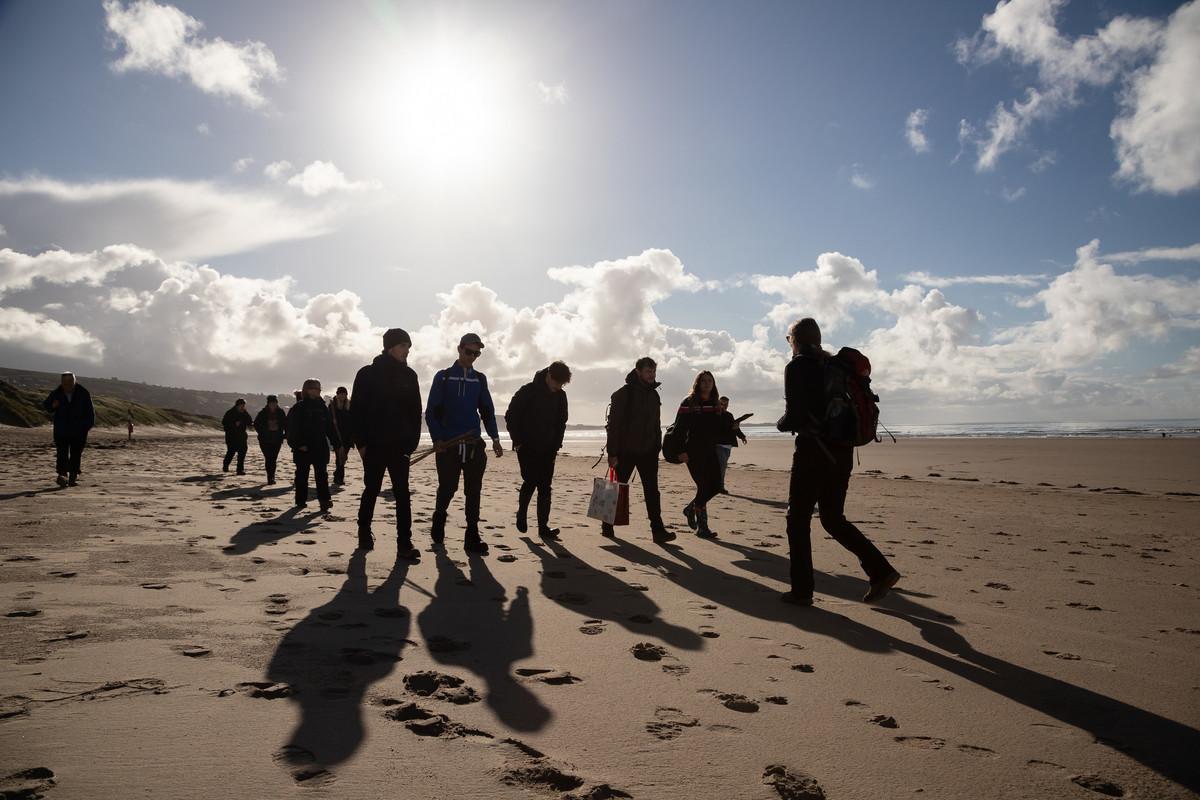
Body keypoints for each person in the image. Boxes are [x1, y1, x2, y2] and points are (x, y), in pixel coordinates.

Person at [776, 317, 900, 606]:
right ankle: (881, 571)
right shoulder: (833, 365)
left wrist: (781, 424)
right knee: (833, 518)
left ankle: (802, 591)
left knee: (797, 519)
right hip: (842, 451)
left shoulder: (797, 365)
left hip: (812, 450)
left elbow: (794, 415)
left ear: (795, 339)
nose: (788, 343)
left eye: (788, 338)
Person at [425, 332, 503, 554]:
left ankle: (472, 535)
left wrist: (495, 438)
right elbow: (432, 411)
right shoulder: (443, 377)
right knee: (448, 488)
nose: (472, 357)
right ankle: (439, 519)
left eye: (477, 354)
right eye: (469, 352)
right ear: (459, 349)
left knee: (474, 491)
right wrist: (437, 438)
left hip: (473, 444)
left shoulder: (480, 379)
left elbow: (487, 410)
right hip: (448, 446)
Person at [351, 328, 423, 556]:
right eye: (403, 346)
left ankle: (405, 543)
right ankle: (364, 532)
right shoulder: (366, 374)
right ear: (390, 347)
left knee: (402, 493)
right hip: (373, 445)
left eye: (409, 347)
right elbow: (357, 411)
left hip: (400, 446)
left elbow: (415, 412)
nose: (407, 351)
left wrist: (411, 444)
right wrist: (361, 444)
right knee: (371, 489)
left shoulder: (410, 376)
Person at [603, 357, 672, 542]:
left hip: (649, 452)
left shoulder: (654, 395)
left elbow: (656, 424)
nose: (652, 375)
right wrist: (612, 453)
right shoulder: (624, 394)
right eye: (648, 371)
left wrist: (657, 445)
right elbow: (614, 425)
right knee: (617, 488)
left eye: (654, 372)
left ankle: (658, 531)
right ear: (638, 371)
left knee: (652, 491)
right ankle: (607, 524)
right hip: (626, 452)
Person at [505, 361, 571, 540]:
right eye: (557, 383)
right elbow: (511, 416)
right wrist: (517, 442)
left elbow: (561, 423)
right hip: (526, 446)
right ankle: (522, 513)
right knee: (531, 480)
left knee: (545, 486)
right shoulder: (528, 391)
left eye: (562, 384)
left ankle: (543, 528)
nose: (558, 387)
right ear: (549, 375)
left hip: (549, 448)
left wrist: (557, 444)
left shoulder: (560, 396)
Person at [674, 370, 729, 539]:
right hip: (693, 453)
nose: (707, 384)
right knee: (704, 487)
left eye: (710, 381)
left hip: (710, 451)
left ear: (713, 384)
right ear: (698, 383)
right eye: (703, 381)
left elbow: (719, 429)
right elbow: (679, 429)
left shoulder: (715, 404)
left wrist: (730, 424)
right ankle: (703, 527)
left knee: (715, 486)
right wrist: (680, 451)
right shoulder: (689, 402)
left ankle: (690, 509)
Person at [287, 379, 340, 512]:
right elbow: (291, 429)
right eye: (316, 388)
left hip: (320, 447)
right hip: (303, 448)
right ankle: (300, 501)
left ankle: (324, 501)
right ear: (308, 390)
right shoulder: (298, 408)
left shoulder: (322, 407)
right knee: (301, 476)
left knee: (322, 475)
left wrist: (337, 444)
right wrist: (298, 445)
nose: (319, 390)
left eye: (319, 388)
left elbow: (330, 428)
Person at [42, 371, 95, 487]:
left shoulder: (83, 393)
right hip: (61, 429)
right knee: (62, 453)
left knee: (76, 454)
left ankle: (73, 477)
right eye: (65, 382)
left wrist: (86, 427)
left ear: (75, 381)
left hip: (79, 430)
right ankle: (62, 475)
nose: (68, 385)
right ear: (61, 382)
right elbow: (46, 406)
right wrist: (52, 406)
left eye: (70, 382)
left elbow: (90, 413)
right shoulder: (57, 393)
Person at [715, 396, 749, 491]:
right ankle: (720, 487)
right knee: (721, 467)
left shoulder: (729, 415)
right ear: (718, 403)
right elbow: (718, 430)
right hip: (718, 445)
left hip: (728, 445)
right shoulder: (715, 415)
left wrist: (742, 436)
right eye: (722, 404)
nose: (724, 406)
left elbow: (735, 427)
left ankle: (717, 486)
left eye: (726, 404)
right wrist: (731, 427)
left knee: (722, 466)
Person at [254, 395, 288, 485]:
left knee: (273, 459)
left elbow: (286, 424)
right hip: (264, 440)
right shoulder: (262, 413)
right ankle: (270, 477)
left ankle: (271, 477)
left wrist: (285, 435)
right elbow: (256, 424)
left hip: (277, 439)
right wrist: (265, 430)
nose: (273, 405)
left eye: (275, 403)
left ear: (277, 403)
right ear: (268, 403)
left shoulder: (281, 412)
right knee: (269, 458)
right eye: (271, 403)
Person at [221, 399, 254, 475]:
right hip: (231, 436)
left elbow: (249, 421)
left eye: (243, 405)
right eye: (241, 405)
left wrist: (251, 424)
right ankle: (225, 465)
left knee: (242, 452)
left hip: (242, 436)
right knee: (231, 452)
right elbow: (224, 422)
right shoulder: (230, 412)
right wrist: (234, 424)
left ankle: (240, 470)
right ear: (237, 405)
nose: (242, 407)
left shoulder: (245, 413)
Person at [329, 386, 353, 485]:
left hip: (347, 436)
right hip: (337, 435)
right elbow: (329, 421)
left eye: (344, 394)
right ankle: (339, 478)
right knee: (339, 457)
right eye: (341, 394)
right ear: (337, 394)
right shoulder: (332, 406)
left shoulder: (349, 405)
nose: (343, 396)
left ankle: (337, 473)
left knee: (343, 457)